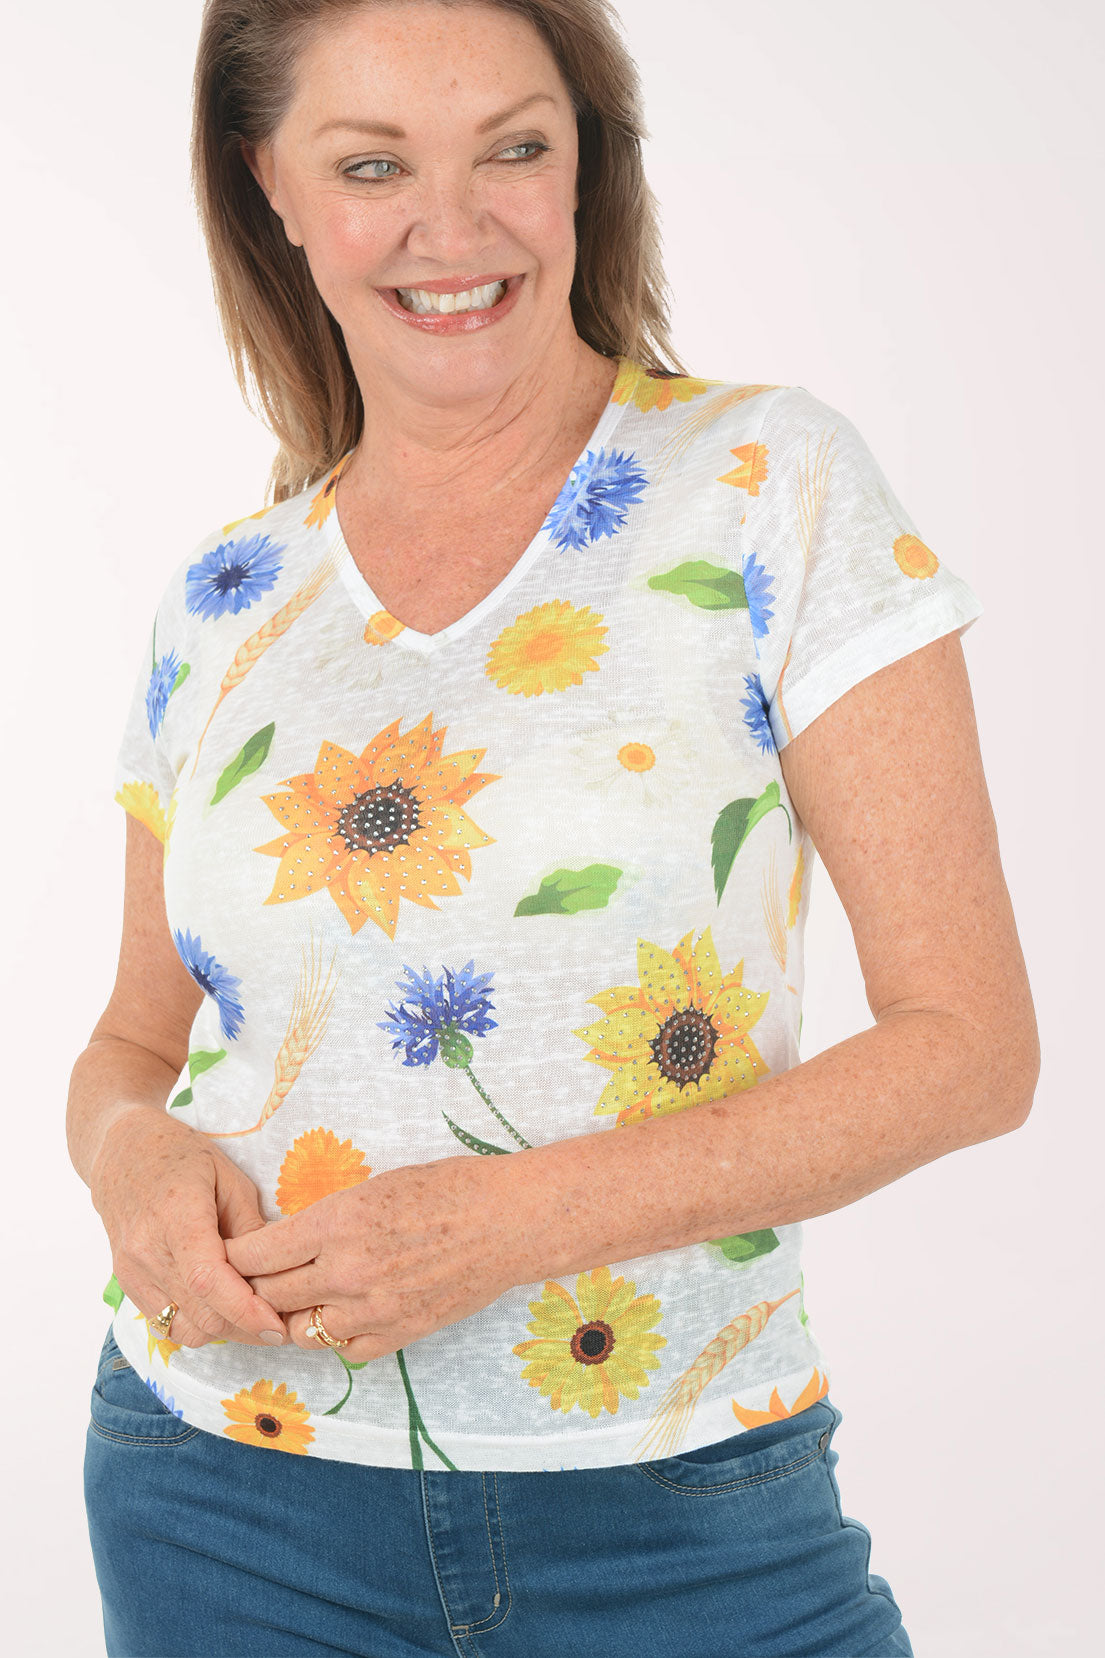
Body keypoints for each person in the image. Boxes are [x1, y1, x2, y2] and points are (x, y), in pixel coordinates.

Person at [69, 1, 1039, 1654]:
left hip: (682, 1511)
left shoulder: (769, 484)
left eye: (512, 147)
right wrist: (125, 1156)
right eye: (371, 166)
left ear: (586, 161)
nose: (452, 228)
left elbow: (970, 1049)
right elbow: (131, 1043)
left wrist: (505, 1225)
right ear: (269, 187)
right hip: (223, 1495)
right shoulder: (224, 598)